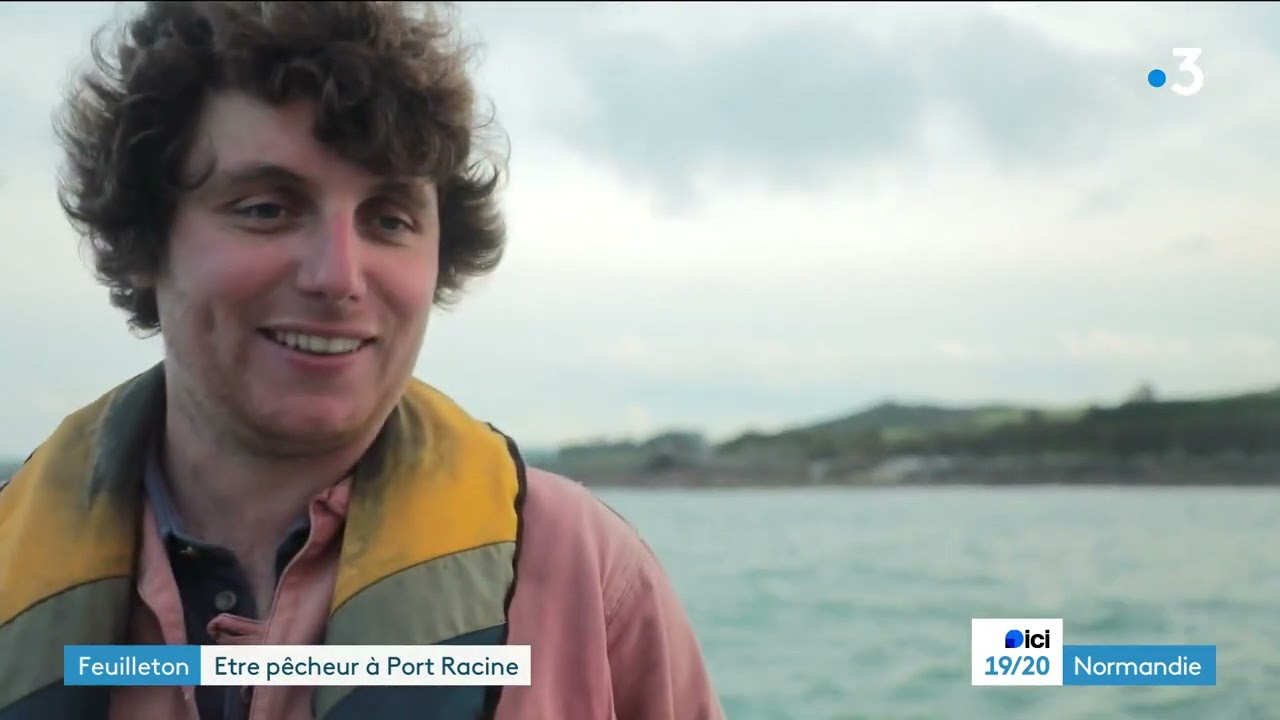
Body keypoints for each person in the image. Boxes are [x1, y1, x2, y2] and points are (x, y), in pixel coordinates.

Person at [0, 2, 724, 719]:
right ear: (144, 242)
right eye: (265, 208)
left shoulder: (588, 580)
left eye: (389, 220)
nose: (338, 275)